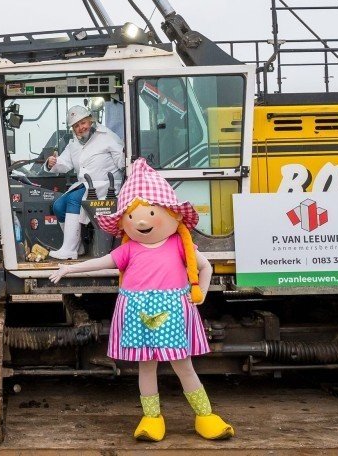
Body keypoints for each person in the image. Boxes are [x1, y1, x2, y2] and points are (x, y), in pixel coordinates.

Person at [49, 158, 234, 442]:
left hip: (173, 311)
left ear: (173, 214)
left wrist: (201, 294)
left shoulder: (178, 243)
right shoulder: (130, 248)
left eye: (149, 212)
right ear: (125, 221)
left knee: (183, 365)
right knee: (146, 367)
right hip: (137, 313)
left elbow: (206, 266)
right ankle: (151, 418)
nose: (142, 221)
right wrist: (69, 268)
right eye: (133, 216)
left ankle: (205, 415)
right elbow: (101, 262)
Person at [44, 105, 124, 259]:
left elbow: (121, 161)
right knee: (58, 206)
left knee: (74, 199)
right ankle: (78, 247)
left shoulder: (107, 136)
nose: (80, 128)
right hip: (85, 185)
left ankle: (69, 249)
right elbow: (64, 163)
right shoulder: (73, 144)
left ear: (90, 120)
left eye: (83, 123)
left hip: (106, 186)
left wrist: (127, 152)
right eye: (76, 126)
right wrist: (51, 163)